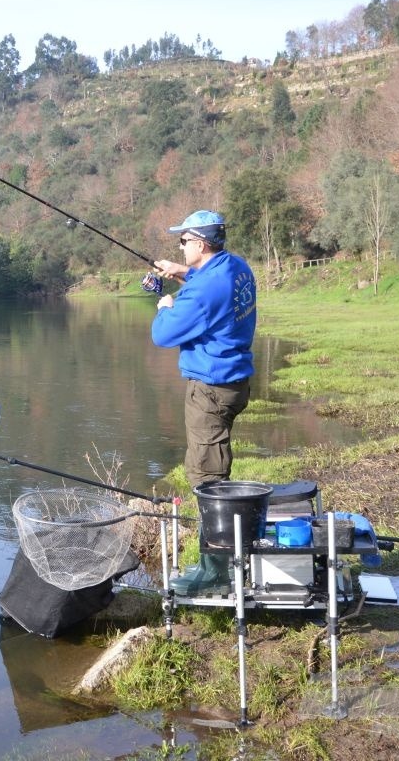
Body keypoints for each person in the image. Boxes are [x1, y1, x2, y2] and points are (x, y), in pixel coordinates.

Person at [147, 209, 257, 595]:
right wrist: (183, 271)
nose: (180, 244)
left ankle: (217, 569)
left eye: (184, 241)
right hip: (235, 379)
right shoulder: (236, 267)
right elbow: (211, 283)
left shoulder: (203, 291)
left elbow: (163, 336)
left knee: (205, 474)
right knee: (212, 464)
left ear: (200, 243)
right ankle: (224, 557)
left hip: (210, 388)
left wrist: (164, 307)